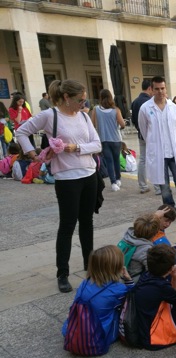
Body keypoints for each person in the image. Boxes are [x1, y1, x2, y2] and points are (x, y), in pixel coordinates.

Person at [16, 79, 101, 293]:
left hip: (89, 175)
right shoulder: (50, 115)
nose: (83, 104)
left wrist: (76, 147)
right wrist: (32, 153)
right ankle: (62, 273)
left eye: (84, 100)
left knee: (87, 222)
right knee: (67, 225)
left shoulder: (83, 116)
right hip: (66, 178)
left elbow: (97, 144)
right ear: (66, 97)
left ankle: (89, 266)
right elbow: (21, 132)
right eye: (80, 100)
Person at [138, 76, 176, 222]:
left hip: (173, 152)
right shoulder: (145, 108)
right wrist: (154, 143)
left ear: (166, 88)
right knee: (164, 188)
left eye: (162, 88)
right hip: (158, 154)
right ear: (151, 89)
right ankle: (170, 213)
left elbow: (173, 126)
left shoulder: (173, 107)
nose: (160, 91)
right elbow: (144, 131)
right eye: (157, 89)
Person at [61, 245, 134, 350]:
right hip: (98, 336)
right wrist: (128, 280)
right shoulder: (119, 289)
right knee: (120, 309)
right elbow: (133, 299)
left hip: (71, 330)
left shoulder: (84, 283)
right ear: (117, 267)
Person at [132, 244, 176, 350]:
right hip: (152, 336)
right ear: (170, 268)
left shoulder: (146, 275)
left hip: (144, 325)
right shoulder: (162, 287)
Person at [91, 89, 126, 192]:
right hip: (116, 139)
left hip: (103, 139)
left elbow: (92, 124)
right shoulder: (116, 110)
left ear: (100, 98)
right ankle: (118, 179)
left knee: (109, 161)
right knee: (116, 160)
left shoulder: (96, 109)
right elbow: (123, 124)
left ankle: (113, 182)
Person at [131, 79, 158, 194]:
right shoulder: (149, 102)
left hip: (141, 135)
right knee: (155, 159)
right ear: (150, 88)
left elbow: (133, 120)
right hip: (151, 135)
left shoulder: (135, 102)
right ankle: (158, 186)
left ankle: (143, 185)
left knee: (142, 159)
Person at [120, 213, 160, 279]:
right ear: (155, 233)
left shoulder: (127, 237)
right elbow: (151, 271)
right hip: (133, 279)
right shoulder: (146, 249)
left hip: (120, 275)